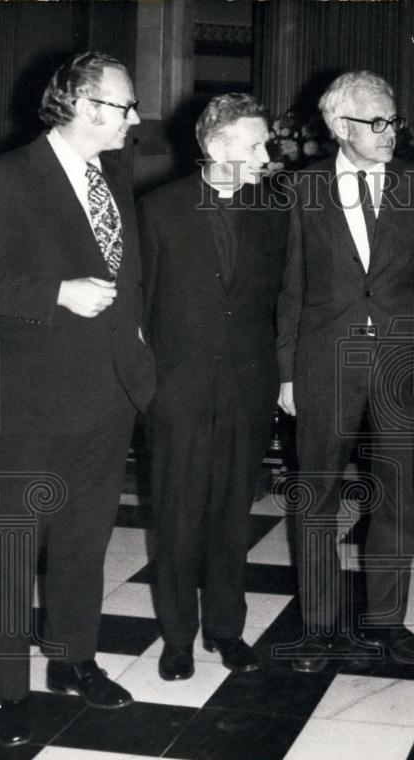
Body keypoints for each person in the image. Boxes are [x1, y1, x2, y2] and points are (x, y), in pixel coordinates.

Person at [0, 52, 155, 746]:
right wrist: (55, 295)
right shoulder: (6, 177)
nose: (134, 118)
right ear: (83, 105)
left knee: (85, 538)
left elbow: (126, 276)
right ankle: (6, 689)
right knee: (15, 544)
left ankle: (73, 657)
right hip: (32, 395)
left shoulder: (114, 176)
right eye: (124, 105)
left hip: (108, 389)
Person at [276, 71, 414, 672]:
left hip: (397, 363)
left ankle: (387, 621)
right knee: (315, 496)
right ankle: (319, 625)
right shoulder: (301, 189)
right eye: (375, 122)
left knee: (396, 495)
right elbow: (290, 285)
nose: (389, 132)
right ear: (338, 127)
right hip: (323, 363)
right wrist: (287, 373)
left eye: (393, 120)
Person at [138, 94, 287, 681]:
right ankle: (176, 637)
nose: (265, 155)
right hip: (178, 387)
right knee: (176, 513)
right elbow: (139, 307)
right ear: (216, 146)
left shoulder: (274, 210)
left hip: (248, 386)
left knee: (231, 512)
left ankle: (226, 629)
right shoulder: (159, 209)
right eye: (254, 145)